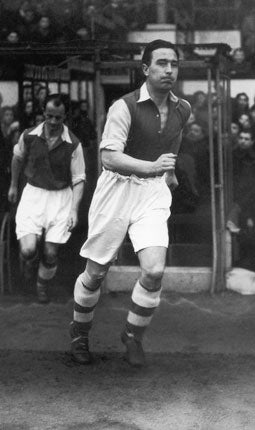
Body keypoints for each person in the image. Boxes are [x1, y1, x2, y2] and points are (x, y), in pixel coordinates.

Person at [69, 39, 191, 367]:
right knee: (95, 273)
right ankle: (80, 332)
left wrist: (169, 171)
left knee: (154, 271)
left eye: (174, 64)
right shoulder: (123, 107)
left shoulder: (183, 108)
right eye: (162, 63)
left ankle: (133, 336)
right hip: (117, 190)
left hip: (152, 192)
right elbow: (109, 158)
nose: (169, 69)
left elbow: (173, 139)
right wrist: (152, 167)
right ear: (145, 69)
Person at [7, 94, 86, 303]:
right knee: (28, 249)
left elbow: (79, 179)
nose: (52, 122)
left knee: (50, 253)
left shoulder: (73, 144)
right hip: (33, 195)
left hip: (60, 199)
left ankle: (41, 287)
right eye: (49, 116)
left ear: (65, 117)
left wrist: (74, 210)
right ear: (43, 112)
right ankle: (29, 264)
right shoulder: (29, 135)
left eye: (58, 118)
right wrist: (14, 185)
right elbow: (17, 158)